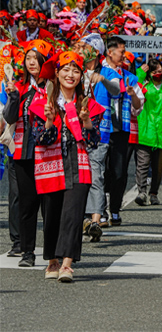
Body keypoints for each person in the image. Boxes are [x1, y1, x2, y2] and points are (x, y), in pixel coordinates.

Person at [30, 51, 104, 282]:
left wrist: (86, 122)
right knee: (52, 214)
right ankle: (52, 260)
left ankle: (67, 264)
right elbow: (40, 139)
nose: (70, 75)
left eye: (75, 71)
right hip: (50, 166)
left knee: (72, 214)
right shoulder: (43, 103)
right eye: (66, 70)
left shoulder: (88, 105)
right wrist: (50, 121)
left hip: (78, 164)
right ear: (57, 74)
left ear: (81, 76)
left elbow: (93, 141)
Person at [3, 40, 52, 267]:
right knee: (26, 203)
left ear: (45, 61)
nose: (31, 62)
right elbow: (10, 119)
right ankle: (27, 252)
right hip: (23, 152)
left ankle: (53, 253)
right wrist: (12, 97)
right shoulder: (20, 87)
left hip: (49, 153)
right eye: (28, 58)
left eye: (36, 58)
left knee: (50, 205)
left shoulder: (54, 85)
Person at [78, 33, 121, 241]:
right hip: (76, 132)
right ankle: (83, 217)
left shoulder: (106, 72)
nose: (82, 50)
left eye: (86, 47)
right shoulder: (74, 71)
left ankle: (95, 221)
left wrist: (102, 79)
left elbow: (117, 90)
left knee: (96, 176)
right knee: (78, 177)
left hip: (100, 133)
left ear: (95, 52)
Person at [102, 36, 144, 226]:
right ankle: (99, 210)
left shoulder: (130, 77)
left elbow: (138, 107)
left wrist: (133, 94)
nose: (123, 55)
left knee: (119, 172)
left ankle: (115, 209)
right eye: (121, 51)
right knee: (100, 171)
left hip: (121, 128)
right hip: (100, 128)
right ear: (110, 52)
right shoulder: (97, 72)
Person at [134, 59, 162, 206]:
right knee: (143, 165)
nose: (158, 74)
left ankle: (154, 193)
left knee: (158, 169)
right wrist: (141, 73)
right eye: (154, 72)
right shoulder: (144, 88)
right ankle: (142, 192)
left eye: (160, 71)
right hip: (145, 133)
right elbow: (134, 89)